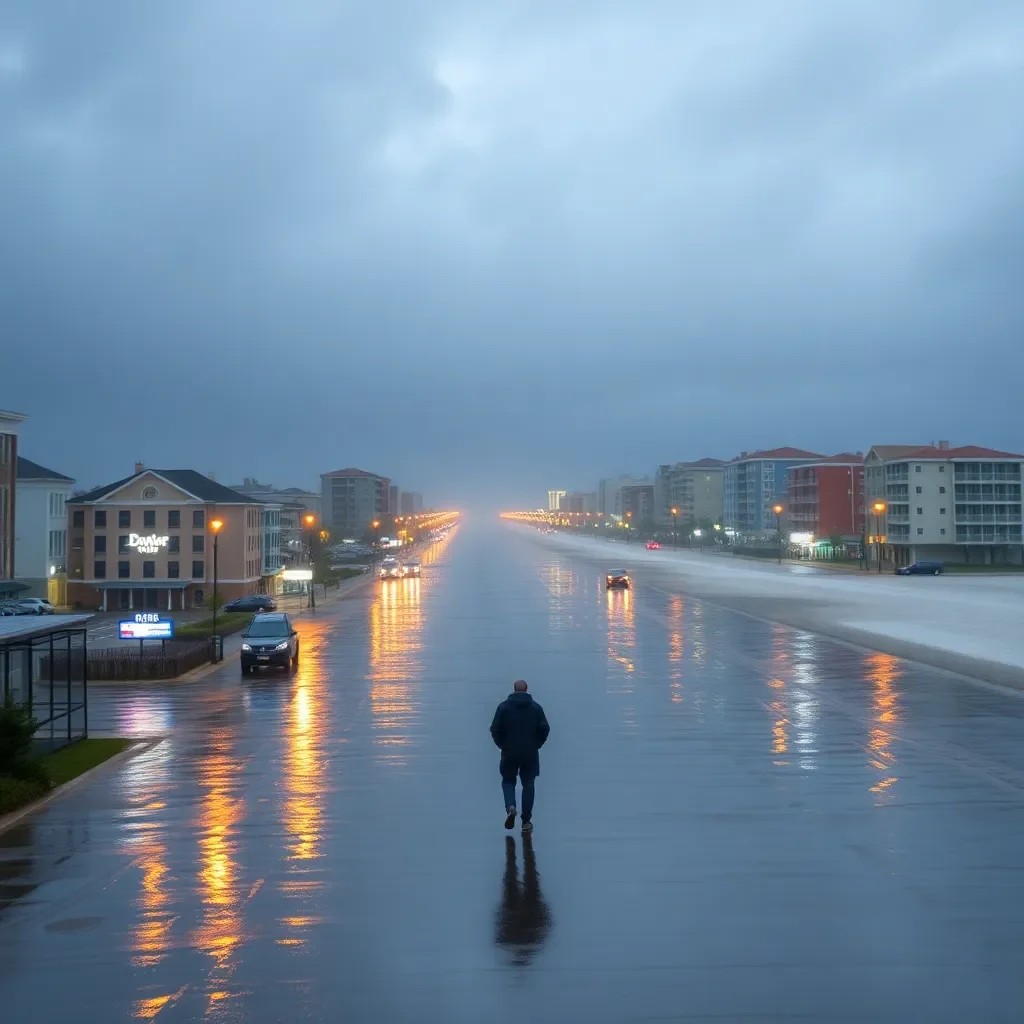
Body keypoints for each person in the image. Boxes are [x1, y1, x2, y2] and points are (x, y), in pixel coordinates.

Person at [490, 679, 550, 832]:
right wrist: (537, 744)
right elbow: (544, 728)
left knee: (508, 781)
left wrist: (502, 744)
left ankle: (511, 806)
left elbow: (494, 728)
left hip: (509, 751)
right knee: (528, 784)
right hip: (530, 752)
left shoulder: (503, 707)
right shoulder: (536, 708)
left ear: (514, 690)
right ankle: (526, 821)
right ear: (527, 690)